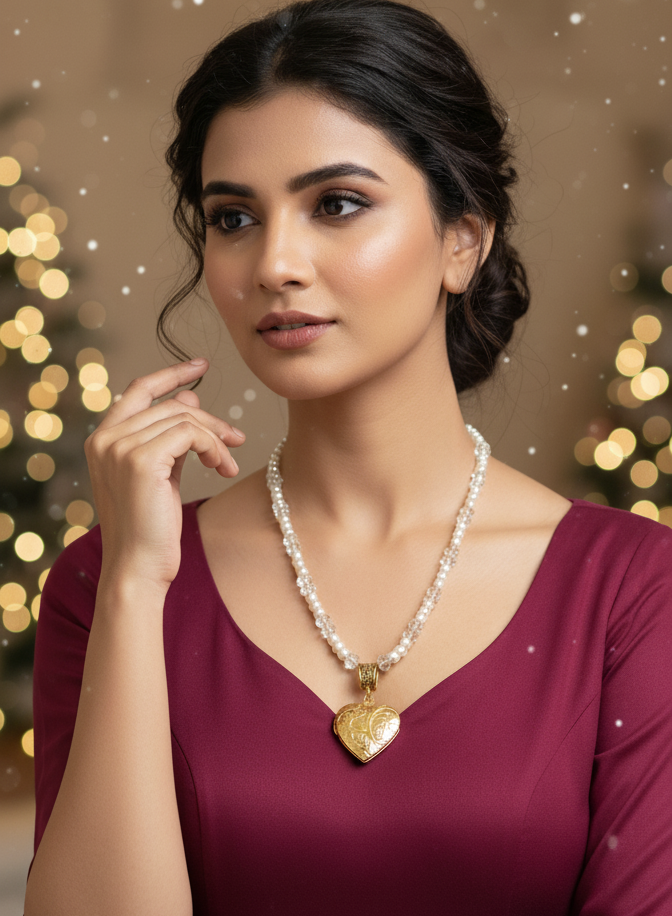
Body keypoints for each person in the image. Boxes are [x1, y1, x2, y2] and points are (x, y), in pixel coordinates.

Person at [24, 0, 672, 913]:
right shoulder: (109, 584)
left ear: (463, 240)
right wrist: (135, 587)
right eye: (234, 218)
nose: (275, 264)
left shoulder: (634, 592)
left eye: (336, 204)